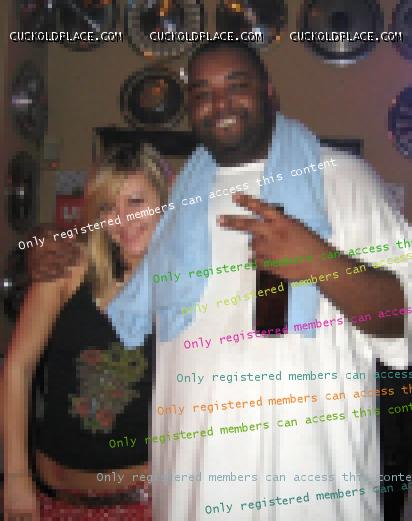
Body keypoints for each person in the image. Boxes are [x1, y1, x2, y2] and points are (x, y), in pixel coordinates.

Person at [105, 41, 411, 521]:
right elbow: (108, 266)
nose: (219, 103)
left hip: (313, 494)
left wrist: (318, 261)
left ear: (270, 93)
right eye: (202, 92)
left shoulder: (342, 179)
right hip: (193, 495)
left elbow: (403, 318)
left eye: (237, 85)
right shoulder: (178, 206)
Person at [3, 144, 168, 520]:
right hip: (51, 498)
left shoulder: (184, 285)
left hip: (142, 502)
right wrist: (15, 476)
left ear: (164, 201)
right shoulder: (68, 268)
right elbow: (17, 368)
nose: (122, 219)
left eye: (136, 201)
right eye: (108, 206)